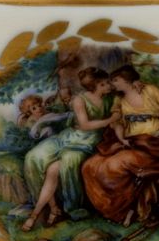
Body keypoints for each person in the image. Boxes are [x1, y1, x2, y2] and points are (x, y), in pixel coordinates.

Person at [82, 65, 159, 225]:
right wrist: (121, 139)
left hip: (155, 141)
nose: (112, 84)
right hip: (131, 141)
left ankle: (126, 210)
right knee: (90, 165)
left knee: (116, 165)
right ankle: (114, 209)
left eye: (115, 80)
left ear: (127, 80)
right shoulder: (118, 99)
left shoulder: (148, 90)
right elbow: (117, 122)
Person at [20, 69, 120, 230]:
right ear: (95, 86)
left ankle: (68, 209)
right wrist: (110, 119)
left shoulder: (112, 99)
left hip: (88, 141)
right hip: (69, 136)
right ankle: (49, 208)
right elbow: (84, 125)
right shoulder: (80, 99)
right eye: (104, 84)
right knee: (33, 156)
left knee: (64, 163)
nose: (109, 85)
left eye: (108, 82)